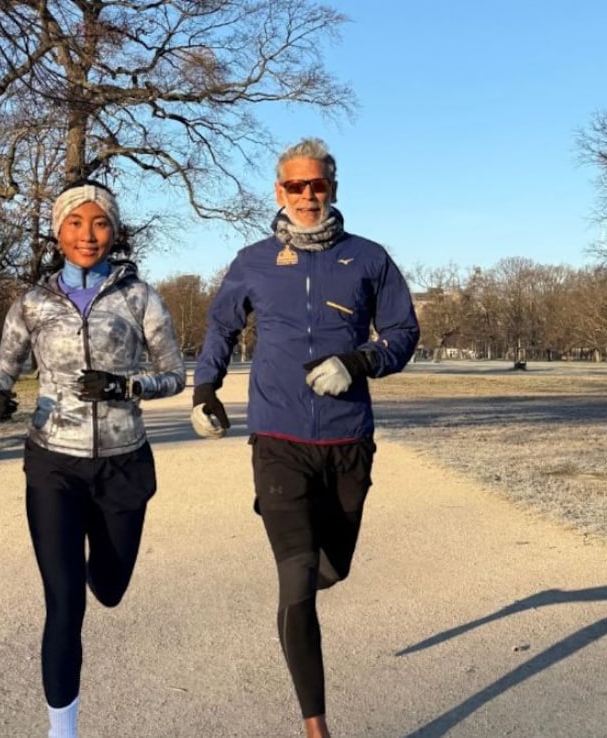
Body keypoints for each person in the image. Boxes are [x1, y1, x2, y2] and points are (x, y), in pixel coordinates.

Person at [189, 138, 419, 738]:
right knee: (296, 582)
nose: (307, 196)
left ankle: (303, 560)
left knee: (332, 570)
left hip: (347, 441)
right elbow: (221, 325)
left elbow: (403, 332)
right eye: (296, 186)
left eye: (317, 185)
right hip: (278, 438)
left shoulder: (369, 258)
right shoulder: (254, 260)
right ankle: (316, 726)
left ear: (333, 189)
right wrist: (205, 388)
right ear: (279, 192)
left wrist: (359, 362)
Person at [0, 179, 186, 738]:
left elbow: (174, 373)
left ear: (114, 231)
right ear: (58, 232)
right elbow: (5, 363)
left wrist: (126, 387)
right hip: (54, 461)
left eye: (99, 223)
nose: (87, 234)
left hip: (123, 461)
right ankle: (62, 729)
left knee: (110, 589)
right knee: (64, 602)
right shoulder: (32, 302)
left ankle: (102, 570)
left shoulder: (140, 297)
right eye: (75, 223)